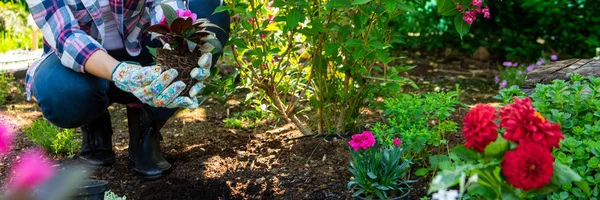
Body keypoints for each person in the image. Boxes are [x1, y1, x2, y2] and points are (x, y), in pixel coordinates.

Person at [24, 0, 230, 180]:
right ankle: (94, 121)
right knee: (61, 92)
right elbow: (66, 35)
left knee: (210, 7)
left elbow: (164, 3)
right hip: (82, 62)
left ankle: (146, 125)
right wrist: (121, 73)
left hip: (143, 48)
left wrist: (179, 39)